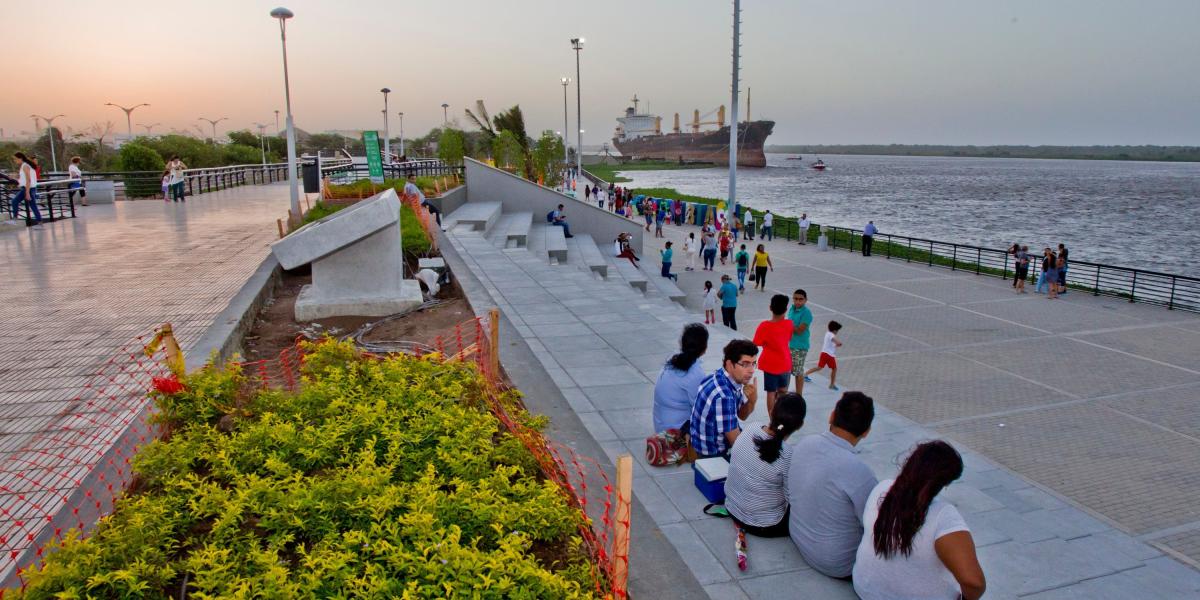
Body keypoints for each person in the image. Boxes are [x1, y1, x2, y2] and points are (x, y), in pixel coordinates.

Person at [853, 441, 985, 600]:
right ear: (945, 482)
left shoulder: (882, 488)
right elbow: (974, 582)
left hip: (865, 589)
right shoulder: (943, 517)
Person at [787, 391, 877, 579]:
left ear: (832, 416)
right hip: (837, 563)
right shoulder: (860, 472)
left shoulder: (805, 443)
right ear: (867, 431)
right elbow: (874, 526)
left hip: (798, 537)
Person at [724, 392, 807, 537]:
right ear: (799, 425)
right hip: (762, 525)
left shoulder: (752, 428)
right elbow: (792, 499)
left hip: (731, 508)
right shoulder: (788, 456)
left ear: (771, 412)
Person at [689, 339, 760, 458]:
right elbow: (736, 442)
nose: (751, 370)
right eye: (745, 364)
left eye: (753, 363)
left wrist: (752, 401)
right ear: (729, 364)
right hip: (713, 453)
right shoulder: (724, 396)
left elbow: (742, 415)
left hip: (706, 442)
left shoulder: (722, 376)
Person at [652, 324, 709, 432]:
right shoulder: (695, 373)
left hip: (660, 425)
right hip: (675, 432)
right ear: (704, 348)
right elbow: (701, 409)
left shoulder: (672, 358)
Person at [753, 294, 795, 415]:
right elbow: (789, 338)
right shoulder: (789, 324)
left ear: (770, 308)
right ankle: (782, 415)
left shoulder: (764, 326)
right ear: (786, 310)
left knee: (771, 392)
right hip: (785, 362)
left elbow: (757, 342)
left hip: (770, 364)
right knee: (783, 390)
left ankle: (772, 419)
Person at [788, 289, 814, 395]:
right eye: (795, 299)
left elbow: (800, 330)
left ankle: (799, 396)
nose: (798, 301)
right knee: (787, 370)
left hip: (800, 347)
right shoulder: (792, 309)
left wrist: (787, 325)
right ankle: (785, 392)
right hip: (790, 345)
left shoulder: (806, 313)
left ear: (805, 300)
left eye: (801, 299)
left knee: (798, 372)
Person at [805, 320, 843, 391]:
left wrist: (836, 344)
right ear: (834, 330)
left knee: (819, 367)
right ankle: (831, 385)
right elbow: (834, 340)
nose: (837, 332)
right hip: (829, 355)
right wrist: (839, 343)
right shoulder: (831, 335)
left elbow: (832, 343)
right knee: (834, 369)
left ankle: (805, 374)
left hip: (824, 354)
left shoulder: (827, 333)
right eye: (837, 330)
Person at [10, 152, 41, 224]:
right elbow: (26, 178)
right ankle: (39, 221)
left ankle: (15, 219)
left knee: (14, 201)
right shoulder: (27, 165)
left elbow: (28, 180)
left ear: (20, 158)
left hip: (27, 189)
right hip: (30, 188)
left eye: (15, 159)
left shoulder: (25, 166)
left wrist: (27, 193)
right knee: (33, 205)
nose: (15, 161)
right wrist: (19, 181)